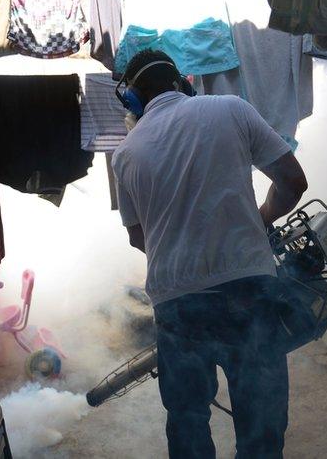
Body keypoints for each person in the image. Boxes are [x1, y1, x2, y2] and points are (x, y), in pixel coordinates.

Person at [111, 49, 308, 458]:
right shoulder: (229, 108)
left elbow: (137, 237)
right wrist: (260, 218)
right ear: (185, 82)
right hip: (247, 291)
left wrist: (180, 247)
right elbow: (292, 181)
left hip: (177, 301)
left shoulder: (125, 154)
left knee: (187, 419)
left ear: (131, 99)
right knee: (261, 426)